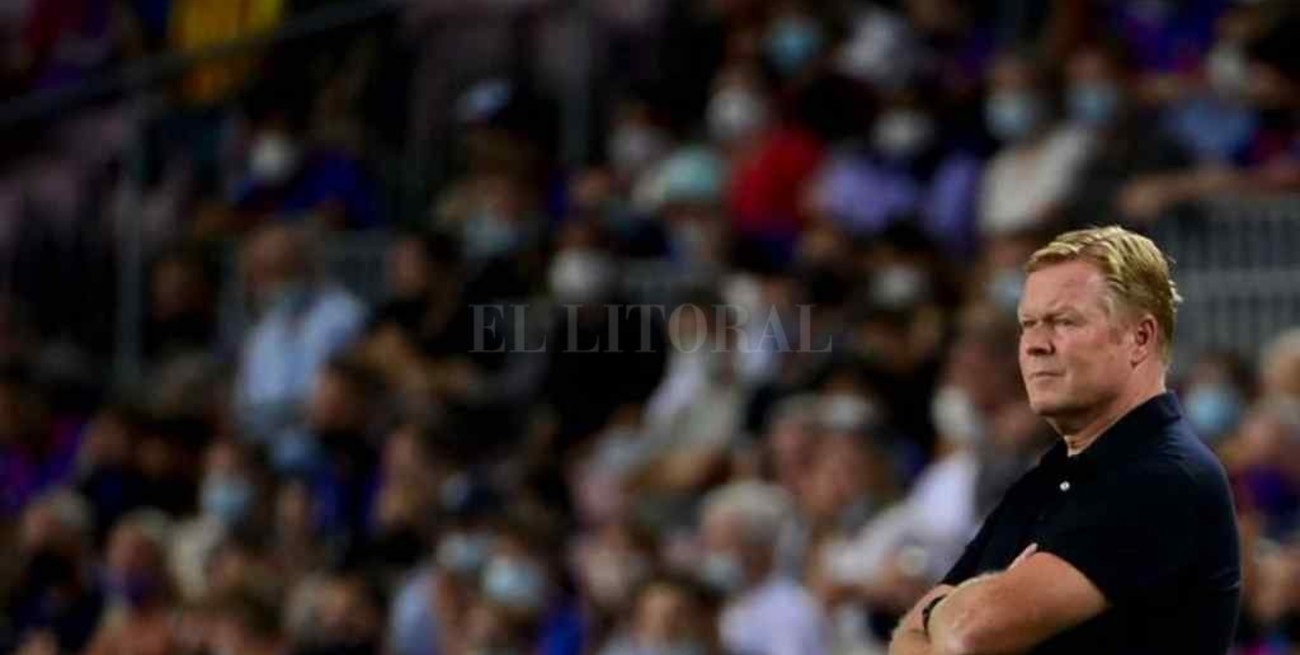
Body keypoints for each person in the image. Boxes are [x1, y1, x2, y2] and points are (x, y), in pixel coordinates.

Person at [889, 226, 1241, 654]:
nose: (1035, 345)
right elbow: (904, 643)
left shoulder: (1166, 477)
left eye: (1064, 322)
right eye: (1028, 325)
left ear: (1140, 338)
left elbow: (969, 634)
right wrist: (967, 607)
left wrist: (940, 609)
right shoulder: (1042, 481)